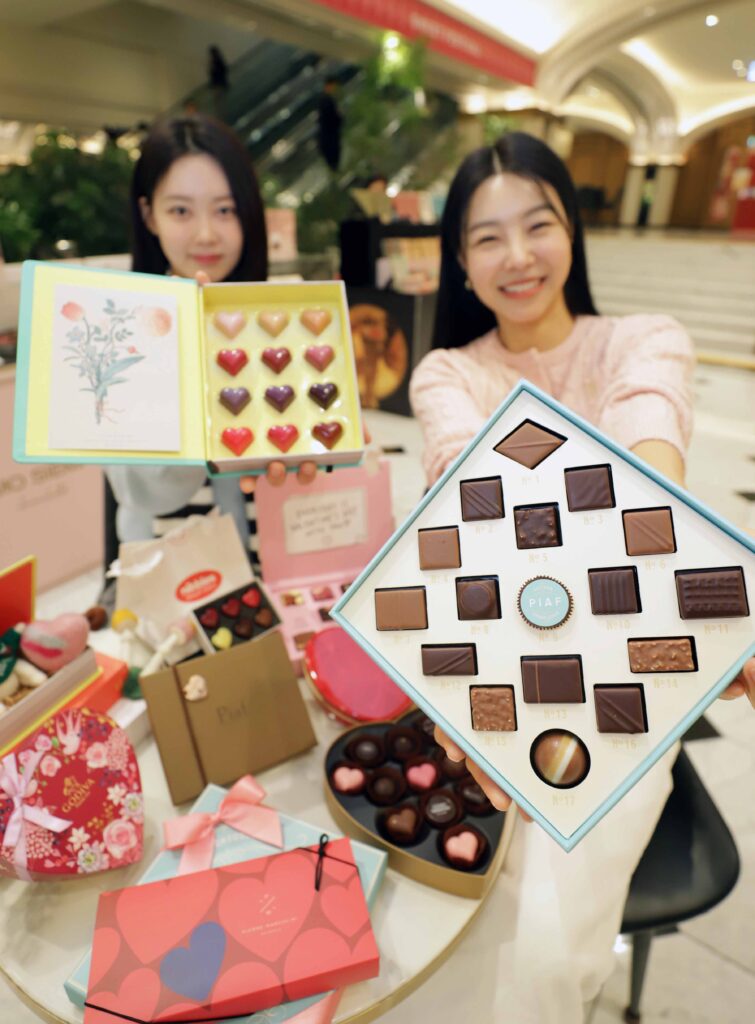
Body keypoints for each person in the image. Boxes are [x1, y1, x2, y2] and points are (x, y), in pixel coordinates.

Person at [408, 131, 755, 1022]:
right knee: (472, 894)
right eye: (487, 238)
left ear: (573, 230)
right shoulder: (447, 373)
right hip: (501, 658)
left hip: (628, 672)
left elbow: (649, 448)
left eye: (538, 225)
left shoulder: (642, 340)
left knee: (546, 931)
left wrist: (708, 592)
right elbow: (470, 491)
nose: (517, 256)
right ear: (459, 261)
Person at [106, 114, 317, 572]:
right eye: (181, 211)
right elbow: (144, 492)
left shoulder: (285, 327)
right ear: (149, 215)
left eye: (225, 210)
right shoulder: (124, 332)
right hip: (169, 578)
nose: (206, 234)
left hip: (280, 574)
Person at [317, 76, 342, 172]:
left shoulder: (326, 100)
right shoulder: (326, 101)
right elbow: (332, 119)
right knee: (334, 163)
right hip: (329, 138)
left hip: (328, 138)